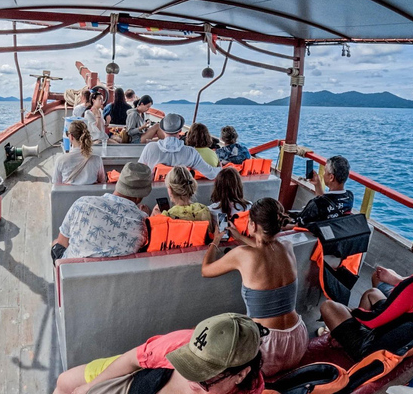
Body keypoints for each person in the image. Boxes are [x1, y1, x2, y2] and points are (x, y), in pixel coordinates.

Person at [320, 209, 413, 361]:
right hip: (404, 336)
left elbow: (373, 321)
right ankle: (348, 337)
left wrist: (352, 313)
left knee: (329, 307)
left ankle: (352, 344)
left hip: (378, 348)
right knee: (372, 293)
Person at [201, 198, 308, 377]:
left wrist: (216, 241)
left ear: (253, 224)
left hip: (267, 350)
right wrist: (241, 238)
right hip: (297, 342)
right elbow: (265, 251)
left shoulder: (242, 255)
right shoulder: (288, 248)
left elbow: (206, 270)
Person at [53, 312, 265, 394]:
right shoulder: (180, 342)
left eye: (204, 380)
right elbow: (132, 359)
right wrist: (90, 387)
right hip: (131, 381)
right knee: (65, 383)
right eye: (187, 362)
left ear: (241, 374)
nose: (191, 378)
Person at [51, 162, 152, 260]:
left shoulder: (83, 203)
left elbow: (62, 242)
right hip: (112, 276)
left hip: (70, 271)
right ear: (139, 197)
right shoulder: (143, 223)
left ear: (119, 183)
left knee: (56, 243)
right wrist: (146, 215)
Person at [138, 114, 221, 180]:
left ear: (162, 130)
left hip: (155, 195)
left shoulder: (150, 148)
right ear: (180, 130)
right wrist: (219, 167)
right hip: (181, 195)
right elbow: (212, 175)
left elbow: (138, 173)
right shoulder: (191, 153)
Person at [292, 155, 354, 227]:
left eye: (325, 171)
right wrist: (317, 185)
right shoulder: (349, 197)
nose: (323, 174)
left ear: (331, 177)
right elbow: (325, 203)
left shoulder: (316, 203)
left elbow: (298, 224)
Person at [53, 120, 106, 185]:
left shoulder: (61, 160)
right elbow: (102, 182)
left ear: (71, 137)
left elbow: (56, 185)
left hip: (69, 195)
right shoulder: (97, 159)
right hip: (90, 195)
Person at [209, 167, 252, 234]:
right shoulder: (249, 206)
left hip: (220, 243)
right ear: (239, 186)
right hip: (243, 241)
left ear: (217, 187)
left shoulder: (211, 210)